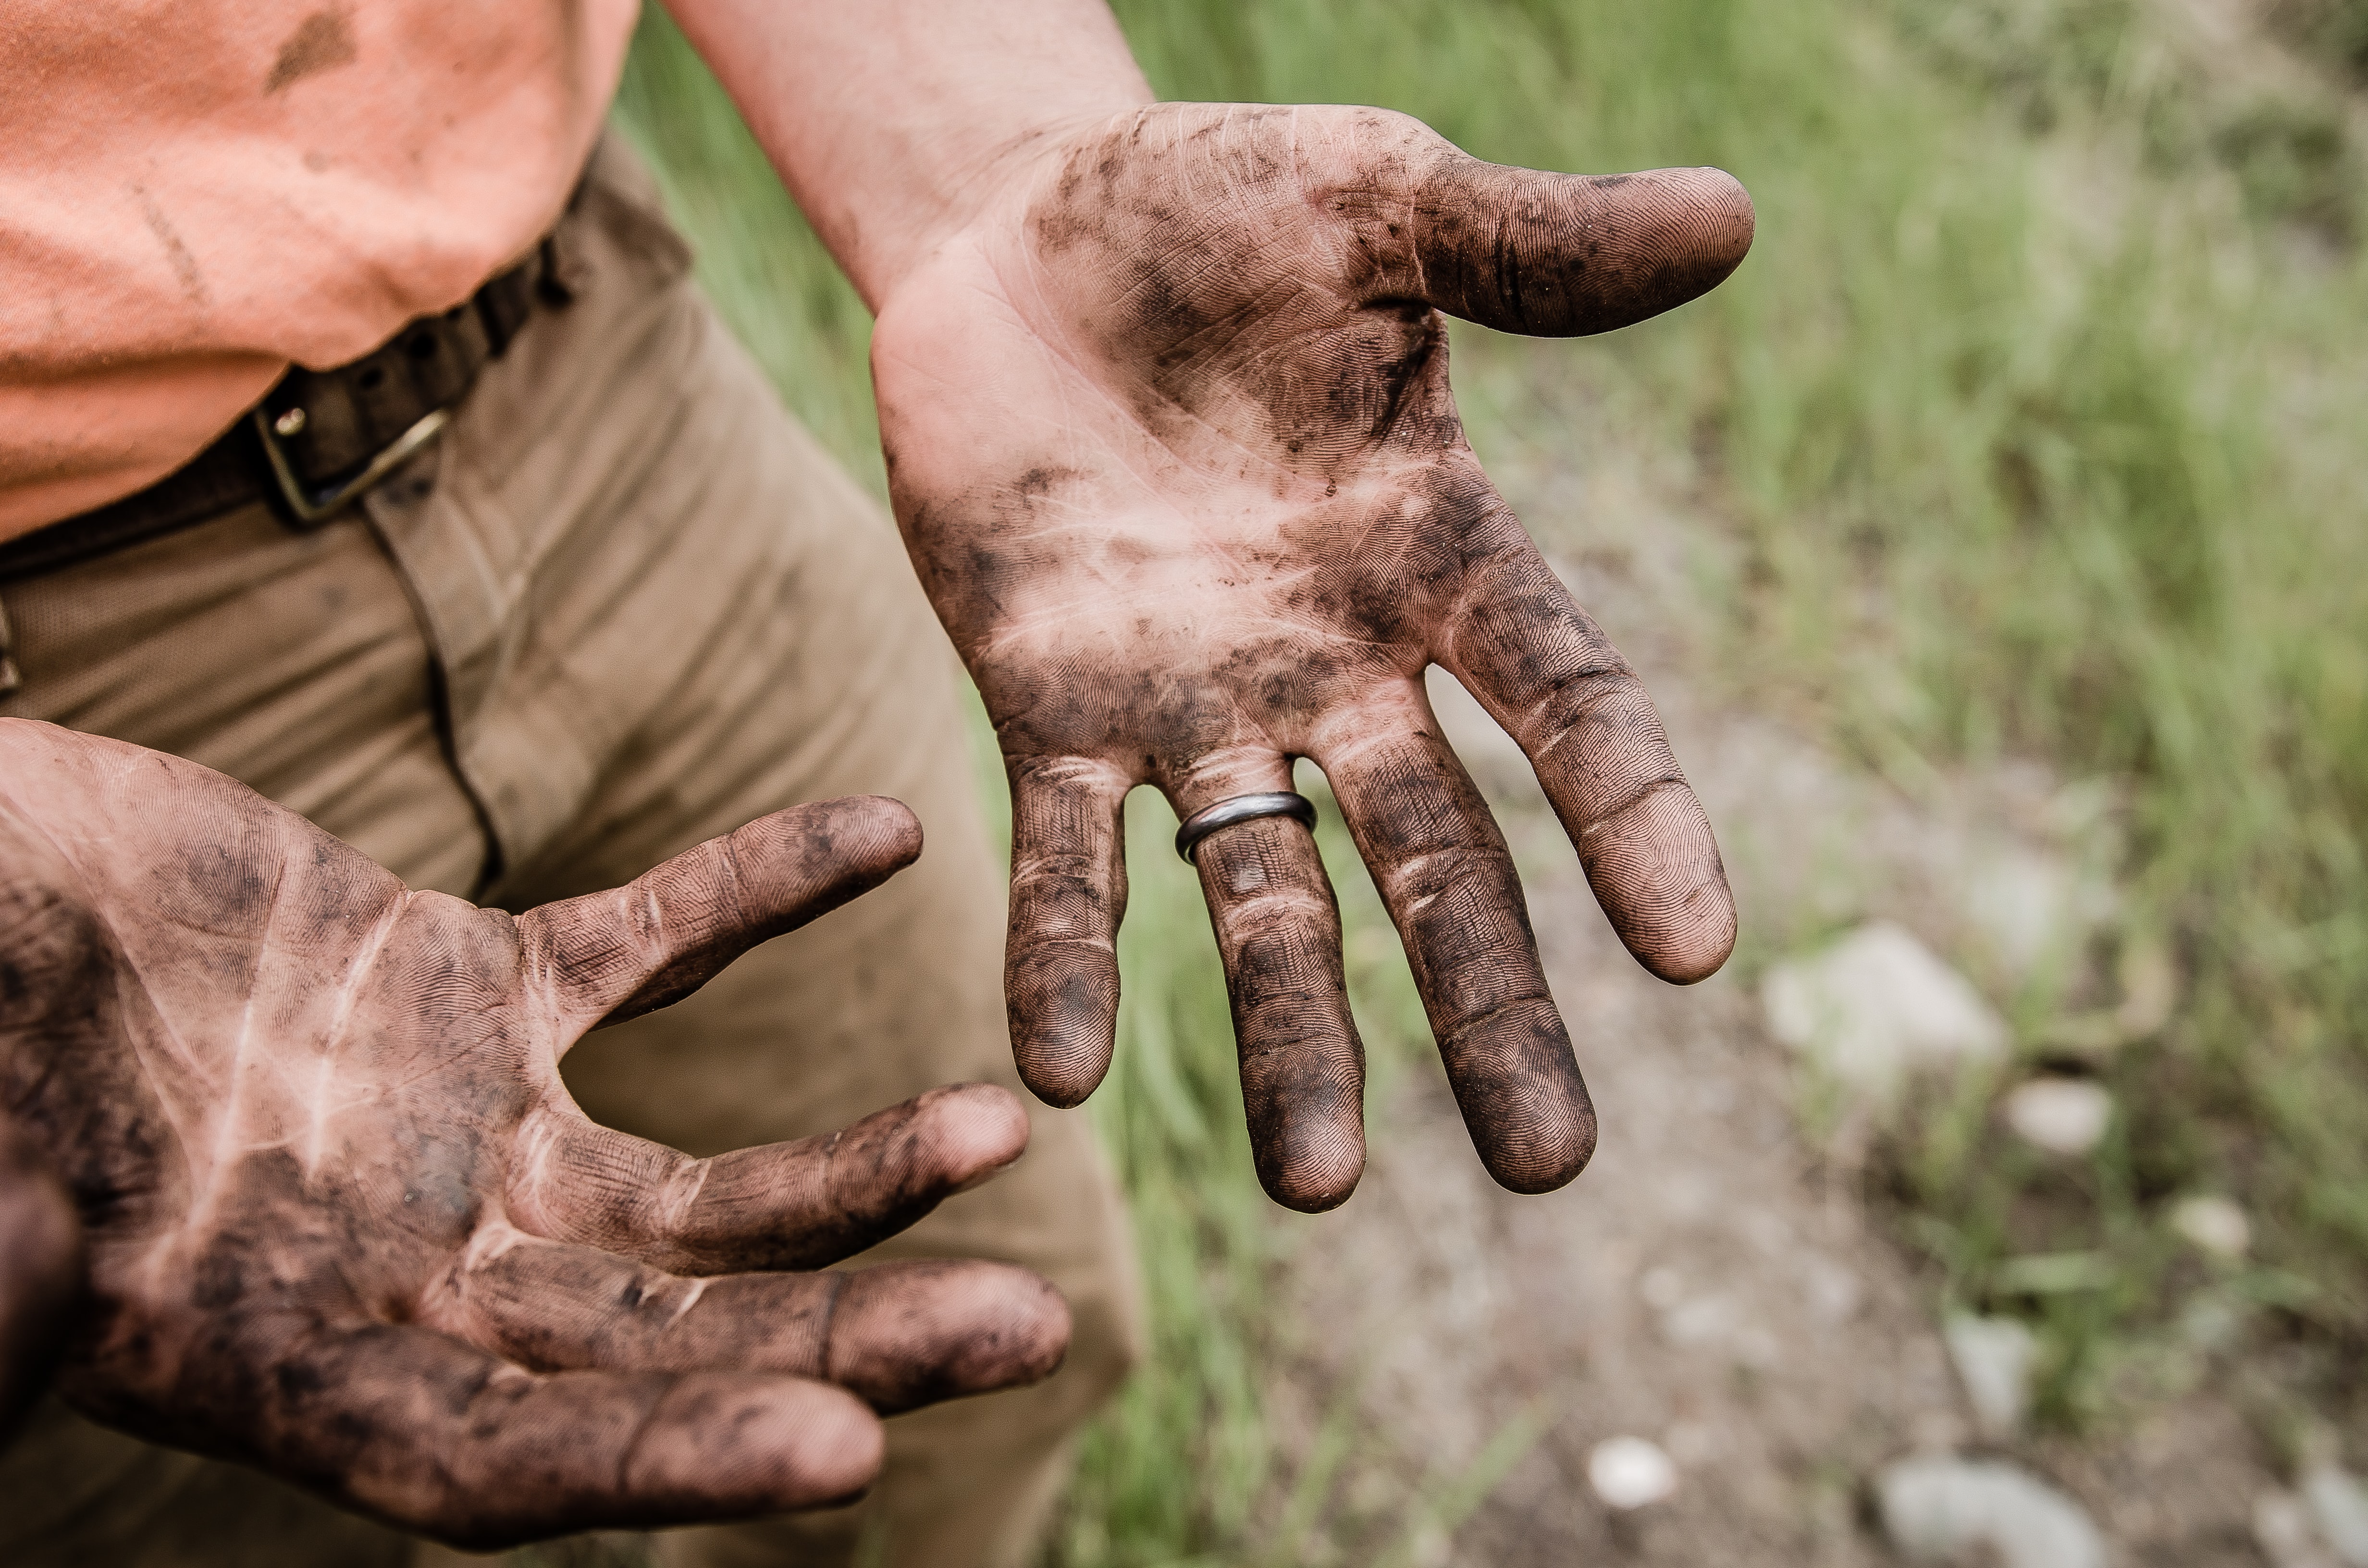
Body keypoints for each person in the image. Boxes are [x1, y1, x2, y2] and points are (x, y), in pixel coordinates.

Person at [0, 0, 1752, 1563]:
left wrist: (991, 160)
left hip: (586, 380)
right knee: (210, 1489)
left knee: (974, 1355)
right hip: (56, 697)